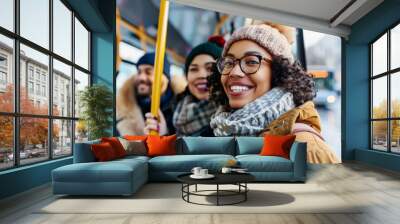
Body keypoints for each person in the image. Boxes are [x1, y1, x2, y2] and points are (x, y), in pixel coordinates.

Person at [208, 23, 340, 163]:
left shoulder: (307, 148)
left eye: (251, 62)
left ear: (279, 71)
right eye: (229, 63)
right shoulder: (222, 131)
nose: (234, 72)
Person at [116, 52, 186, 136]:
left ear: (163, 78)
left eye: (148, 72)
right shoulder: (124, 109)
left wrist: (165, 135)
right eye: (139, 72)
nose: (141, 77)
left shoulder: (182, 108)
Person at [172, 36, 225, 136]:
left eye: (210, 68)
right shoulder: (174, 107)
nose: (201, 75)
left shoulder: (232, 118)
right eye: (194, 69)